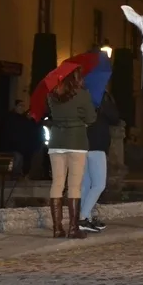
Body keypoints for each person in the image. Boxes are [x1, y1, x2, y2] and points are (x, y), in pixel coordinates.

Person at [46, 72, 97, 239]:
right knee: (74, 185)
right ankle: (73, 229)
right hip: (76, 142)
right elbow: (91, 118)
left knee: (57, 183)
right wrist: (81, 120)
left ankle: (57, 228)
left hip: (56, 141)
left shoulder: (51, 95)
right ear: (75, 78)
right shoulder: (82, 95)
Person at [78, 90, 121, 233]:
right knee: (99, 185)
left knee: (86, 185)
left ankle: (87, 218)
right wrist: (107, 100)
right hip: (97, 147)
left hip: (84, 147)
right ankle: (83, 217)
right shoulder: (102, 104)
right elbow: (115, 118)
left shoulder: (84, 102)